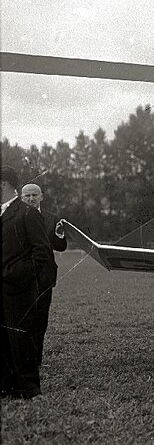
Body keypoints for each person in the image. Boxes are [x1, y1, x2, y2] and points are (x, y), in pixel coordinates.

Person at [1, 165, 51, 399]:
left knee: (22, 338)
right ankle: (6, 386)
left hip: (18, 289)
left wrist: (17, 275)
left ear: (4, 185)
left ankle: (29, 390)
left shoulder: (28, 213)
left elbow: (42, 253)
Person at [20, 183, 68, 366]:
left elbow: (61, 246)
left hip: (44, 277)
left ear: (42, 197)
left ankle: (36, 361)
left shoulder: (52, 218)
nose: (31, 198)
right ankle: (22, 360)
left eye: (34, 195)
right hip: (21, 277)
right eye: (27, 196)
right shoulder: (15, 218)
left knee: (40, 319)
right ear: (21, 198)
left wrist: (61, 233)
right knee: (22, 319)